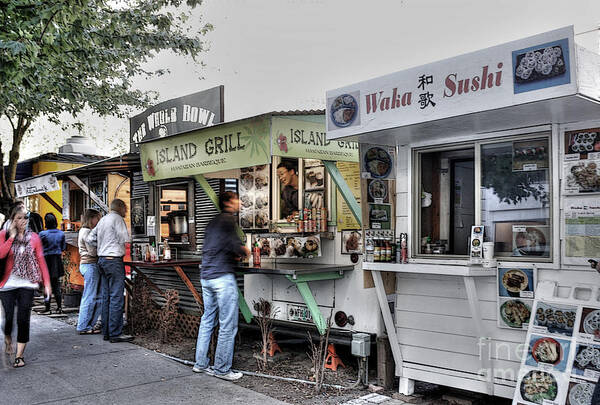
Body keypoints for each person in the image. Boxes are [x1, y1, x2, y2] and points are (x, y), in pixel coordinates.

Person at [193, 191, 249, 381]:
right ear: (228, 202)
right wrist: (245, 250)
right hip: (222, 277)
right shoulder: (228, 220)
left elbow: (215, 246)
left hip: (206, 275)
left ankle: (200, 364)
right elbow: (235, 246)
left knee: (208, 319)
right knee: (227, 325)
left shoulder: (213, 222)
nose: (239, 202)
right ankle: (222, 369)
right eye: (236, 199)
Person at [0, 206, 51, 367]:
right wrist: (11, 237)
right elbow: (1, 254)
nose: (22, 221)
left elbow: (41, 261)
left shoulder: (34, 237)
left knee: (23, 319)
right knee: (8, 318)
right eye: (19, 218)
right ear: (12, 220)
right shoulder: (3, 234)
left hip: (28, 283)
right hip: (7, 283)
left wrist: (47, 284)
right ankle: (8, 337)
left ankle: (19, 356)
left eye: (25, 218)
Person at [86, 199, 133, 343]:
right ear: (119, 208)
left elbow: (89, 239)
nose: (126, 211)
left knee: (107, 296)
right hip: (113, 260)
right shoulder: (117, 219)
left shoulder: (103, 219)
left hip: (102, 260)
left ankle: (106, 331)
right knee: (116, 297)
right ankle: (115, 333)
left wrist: (101, 245)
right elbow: (125, 239)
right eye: (125, 208)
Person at [76, 209, 102, 334]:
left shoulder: (84, 231)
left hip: (88, 265)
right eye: (98, 218)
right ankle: (83, 326)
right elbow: (92, 252)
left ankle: (88, 325)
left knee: (93, 296)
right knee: (90, 296)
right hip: (90, 264)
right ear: (91, 219)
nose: (99, 221)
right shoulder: (87, 232)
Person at [39, 213, 66, 314]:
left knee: (47, 284)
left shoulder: (42, 234)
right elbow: (63, 248)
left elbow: (38, 247)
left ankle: (47, 308)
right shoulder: (61, 234)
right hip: (57, 260)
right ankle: (59, 308)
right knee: (57, 285)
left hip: (46, 260)